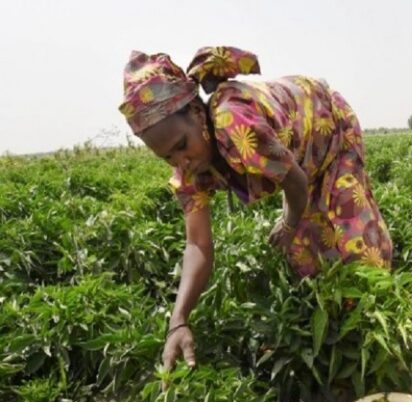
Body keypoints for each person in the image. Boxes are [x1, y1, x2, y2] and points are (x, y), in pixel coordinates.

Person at [118, 46, 393, 373]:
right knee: (307, 254)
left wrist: (288, 222)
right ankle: (343, 331)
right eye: (168, 157)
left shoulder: (234, 122)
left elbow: (295, 183)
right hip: (297, 161)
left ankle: (382, 332)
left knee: (358, 241)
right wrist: (178, 321)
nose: (182, 160)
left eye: (181, 145)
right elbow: (197, 244)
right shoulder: (189, 172)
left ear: (195, 112)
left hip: (328, 129)